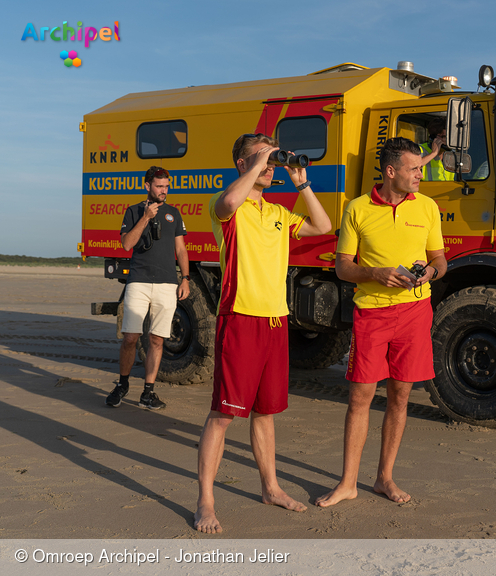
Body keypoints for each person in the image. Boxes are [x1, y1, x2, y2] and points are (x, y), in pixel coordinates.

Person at [194, 133, 332, 533]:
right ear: (242, 164)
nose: (271, 166)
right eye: (263, 158)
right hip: (239, 317)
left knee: (266, 412)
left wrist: (301, 182)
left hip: (275, 319)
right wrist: (259, 162)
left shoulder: (278, 213)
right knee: (222, 415)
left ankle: (270, 487)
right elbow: (229, 203)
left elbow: (322, 225)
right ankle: (206, 500)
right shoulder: (227, 207)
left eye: (273, 159)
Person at [315, 137, 446, 508]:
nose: (420, 174)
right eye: (414, 169)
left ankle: (384, 478)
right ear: (391, 172)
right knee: (360, 397)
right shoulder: (356, 209)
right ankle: (347, 483)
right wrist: (376, 272)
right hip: (371, 313)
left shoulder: (429, 207)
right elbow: (342, 267)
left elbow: (440, 259)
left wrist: (430, 273)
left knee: (401, 395)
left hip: (415, 313)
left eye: (421, 168)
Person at [105, 166, 189, 411]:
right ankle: (122, 385)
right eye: (159, 186)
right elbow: (126, 244)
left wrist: (185, 278)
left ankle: (148, 392)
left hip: (167, 284)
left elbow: (181, 250)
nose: (164, 191)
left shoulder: (174, 214)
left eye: (166, 186)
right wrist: (146, 217)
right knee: (130, 337)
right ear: (147, 186)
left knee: (157, 340)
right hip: (138, 282)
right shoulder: (133, 212)